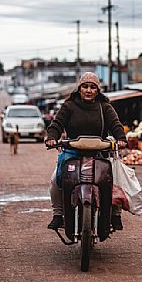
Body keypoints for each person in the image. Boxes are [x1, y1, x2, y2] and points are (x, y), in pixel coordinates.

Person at [45, 72, 127, 230]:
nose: (88, 90)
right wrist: (51, 137)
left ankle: (115, 214)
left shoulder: (105, 107)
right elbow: (56, 124)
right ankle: (58, 214)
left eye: (92, 87)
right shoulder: (68, 106)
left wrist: (121, 138)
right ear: (79, 89)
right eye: (85, 86)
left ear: (98, 90)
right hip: (72, 151)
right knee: (56, 180)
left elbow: (116, 125)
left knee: (114, 178)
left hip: (100, 152)